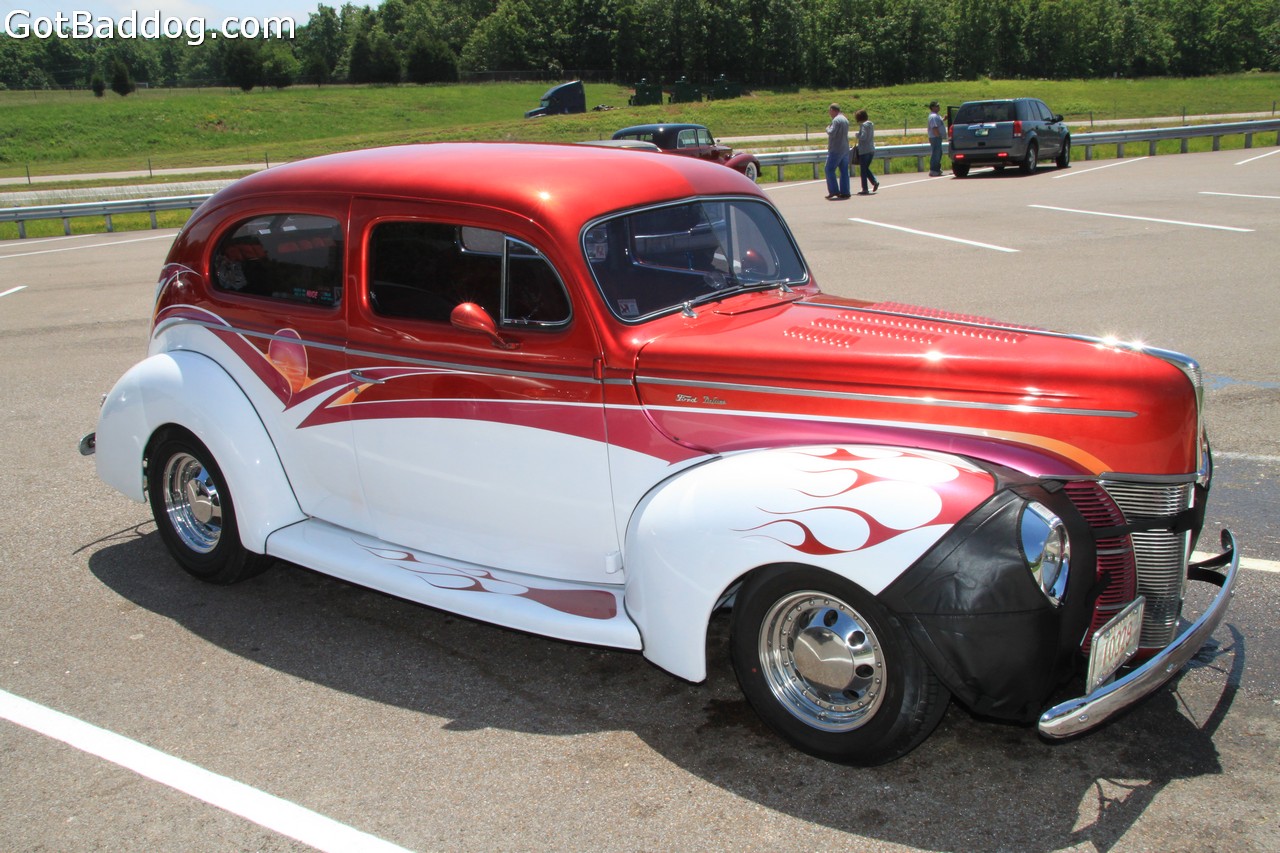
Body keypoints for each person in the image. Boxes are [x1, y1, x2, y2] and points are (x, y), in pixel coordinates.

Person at [824, 103, 851, 199]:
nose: (829, 113)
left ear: (833, 110)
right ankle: (845, 191)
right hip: (845, 148)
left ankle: (834, 191)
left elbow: (832, 132)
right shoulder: (845, 119)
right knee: (844, 170)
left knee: (829, 169)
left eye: (830, 111)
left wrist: (827, 128)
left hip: (836, 149)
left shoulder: (836, 120)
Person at [854, 109, 880, 195]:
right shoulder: (871, 124)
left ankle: (865, 189)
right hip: (871, 149)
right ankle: (874, 182)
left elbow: (863, 137)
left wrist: (858, 135)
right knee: (865, 168)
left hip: (864, 150)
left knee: (863, 170)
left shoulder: (863, 125)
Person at [927, 100, 945, 176]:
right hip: (935, 137)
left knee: (939, 153)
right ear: (932, 107)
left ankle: (937, 169)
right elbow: (934, 127)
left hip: (937, 137)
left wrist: (944, 119)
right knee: (936, 154)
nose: (938, 107)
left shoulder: (936, 115)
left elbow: (939, 123)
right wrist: (938, 135)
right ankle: (933, 170)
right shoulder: (933, 116)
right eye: (937, 106)